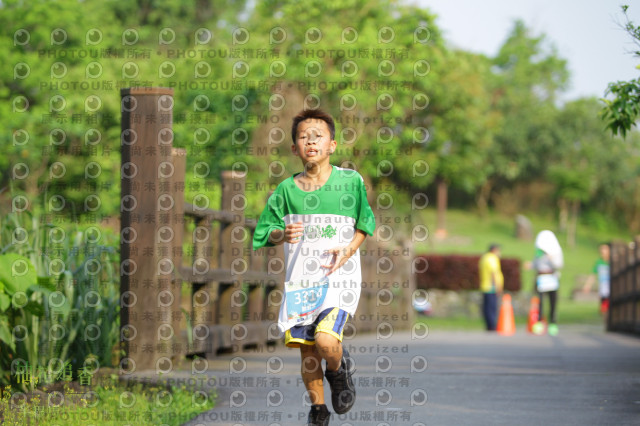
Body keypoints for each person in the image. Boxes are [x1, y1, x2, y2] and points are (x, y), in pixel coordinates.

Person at [253, 109, 376, 426]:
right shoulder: (285, 190)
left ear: (332, 145)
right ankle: (318, 410)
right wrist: (281, 233)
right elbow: (263, 233)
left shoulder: (350, 182)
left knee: (325, 342)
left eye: (317, 135)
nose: (310, 141)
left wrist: (348, 250)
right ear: (294, 148)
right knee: (308, 352)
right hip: (301, 283)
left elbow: (365, 223)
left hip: (339, 279)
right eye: (303, 136)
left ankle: (338, 369)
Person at [532, 230, 563, 336]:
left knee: (553, 302)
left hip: (552, 278)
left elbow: (559, 264)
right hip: (541, 278)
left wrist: (551, 258)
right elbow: (536, 263)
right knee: (540, 301)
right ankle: (539, 322)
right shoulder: (539, 252)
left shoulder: (556, 251)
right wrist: (531, 265)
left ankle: (553, 323)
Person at [478, 244, 504, 331]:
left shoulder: (484, 258)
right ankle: (492, 326)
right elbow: (493, 273)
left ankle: (489, 326)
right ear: (494, 250)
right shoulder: (492, 258)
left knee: (487, 307)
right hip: (491, 287)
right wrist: (497, 286)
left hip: (485, 286)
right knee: (492, 307)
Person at [592, 244, 611, 314]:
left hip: (612, 288)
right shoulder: (599, 262)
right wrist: (587, 286)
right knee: (603, 308)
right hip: (603, 288)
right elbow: (593, 274)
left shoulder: (612, 262)